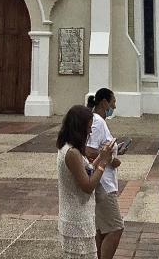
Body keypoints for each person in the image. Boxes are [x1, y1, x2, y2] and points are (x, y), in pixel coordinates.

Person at [57, 104, 115, 259]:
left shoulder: (69, 147)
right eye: (88, 128)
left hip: (79, 218)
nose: (90, 132)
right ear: (79, 128)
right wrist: (102, 164)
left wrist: (100, 158)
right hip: (77, 221)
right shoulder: (72, 153)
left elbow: (86, 169)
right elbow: (88, 186)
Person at [85, 88, 124, 259]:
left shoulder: (98, 121)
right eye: (113, 102)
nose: (114, 106)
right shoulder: (98, 121)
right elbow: (89, 150)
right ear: (104, 103)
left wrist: (115, 152)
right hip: (103, 184)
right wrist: (111, 160)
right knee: (116, 228)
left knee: (101, 230)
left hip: (104, 181)